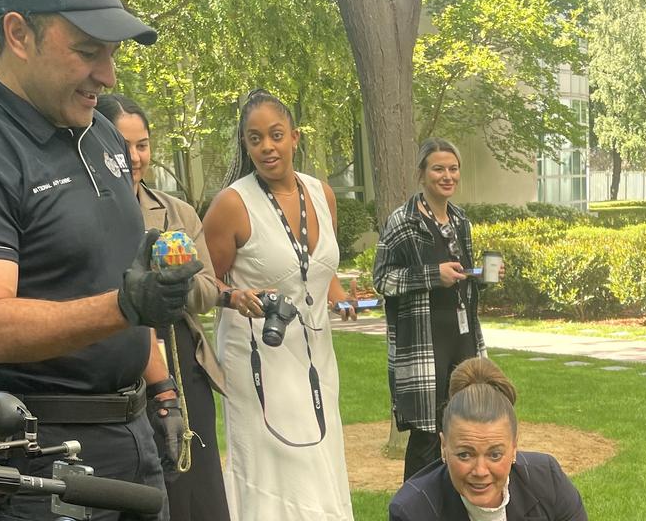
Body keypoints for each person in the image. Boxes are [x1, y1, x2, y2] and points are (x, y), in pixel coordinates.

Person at [0, 0, 202, 521]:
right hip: (34, 457)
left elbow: (121, 276)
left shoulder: (98, 131)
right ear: (19, 34)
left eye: (110, 54)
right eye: (87, 52)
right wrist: (124, 307)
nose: (107, 76)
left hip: (132, 433)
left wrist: (162, 390)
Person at [201, 89, 354, 520]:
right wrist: (235, 297)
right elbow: (203, 282)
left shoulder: (322, 194)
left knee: (320, 460)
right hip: (259, 360)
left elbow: (319, 268)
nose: (266, 147)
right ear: (246, 146)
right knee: (276, 470)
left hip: (316, 358)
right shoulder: (232, 204)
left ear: (295, 138)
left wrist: (340, 297)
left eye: (275, 135)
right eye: (254, 139)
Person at [97, 94, 231, 521]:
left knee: (198, 488)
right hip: (120, 373)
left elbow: (209, 291)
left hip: (183, 364)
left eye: (143, 145)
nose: (135, 157)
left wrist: (171, 283)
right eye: (123, 145)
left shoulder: (177, 214)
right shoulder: (87, 213)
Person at [375, 138, 487, 481]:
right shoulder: (402, 221)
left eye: (453, 169)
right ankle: (414, 509)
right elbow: (382, 279)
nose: (447, 176)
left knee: (464, 427)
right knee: (426, 437)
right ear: (422, 175)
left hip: (462, 337)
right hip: (425, 343)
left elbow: (460, 275)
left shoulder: (459, 220)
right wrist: (430, 275)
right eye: (438, 168)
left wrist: (480, 277)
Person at [388, 358, 587, 521]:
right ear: (444, 447)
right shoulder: (412, 511)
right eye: (465, 455)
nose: (480, 471)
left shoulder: (546, 479)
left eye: (495, 454)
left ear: (514, 447)